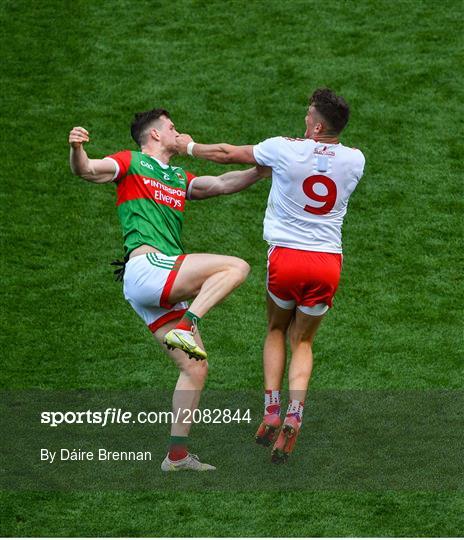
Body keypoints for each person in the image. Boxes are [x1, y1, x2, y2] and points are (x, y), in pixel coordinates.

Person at [68, 109, 267, 471]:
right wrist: (77, 149)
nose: (180, 132)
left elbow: (221, 184)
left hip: (153, 282)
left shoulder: (177, 176)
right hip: (148, 268)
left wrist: (260, 170)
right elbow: (86, 170)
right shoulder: (130, 163)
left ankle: (175, 457)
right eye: (172, 128)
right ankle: (188, 323)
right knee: (236, 266)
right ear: (155, 135)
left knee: (195, 369)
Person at [176, 88, 366, 463]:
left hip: (286, 258)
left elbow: (227, 153)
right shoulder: (356, 160)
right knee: (304, 342)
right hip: (326, 263)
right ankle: (295, 414)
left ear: (315, 125)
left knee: (277, 329)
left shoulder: (284, 148)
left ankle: (271, 408)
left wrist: (189, 145)